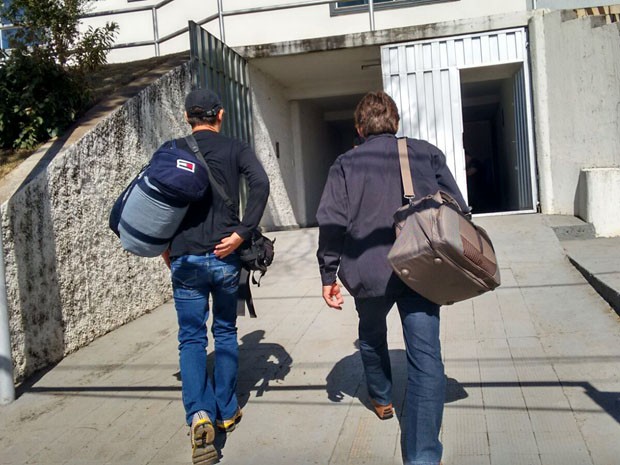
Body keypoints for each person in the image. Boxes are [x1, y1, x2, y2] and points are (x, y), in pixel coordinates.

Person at [316, 91, 468, 465]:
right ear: (396, 123)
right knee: (426, 359)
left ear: (358, 127)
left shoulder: (345, 164)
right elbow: (459, 207)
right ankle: (422, 455)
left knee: (370, 335)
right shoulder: (424, 152)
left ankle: (382, 398)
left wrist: (328, 273)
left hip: (369, 271)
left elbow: (331, 221)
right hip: (422, 267)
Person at [164, 88, 269, 465]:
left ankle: (199, 415)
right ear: (219, 115)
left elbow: (157, 199)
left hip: (186, 258)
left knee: (191, 338)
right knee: (224, 331)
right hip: (225, 256)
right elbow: (261, 184)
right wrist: (242, 232)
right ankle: (226, 409)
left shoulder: (173, 149)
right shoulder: (235, 148)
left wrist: (165, 246)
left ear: (188, 117)